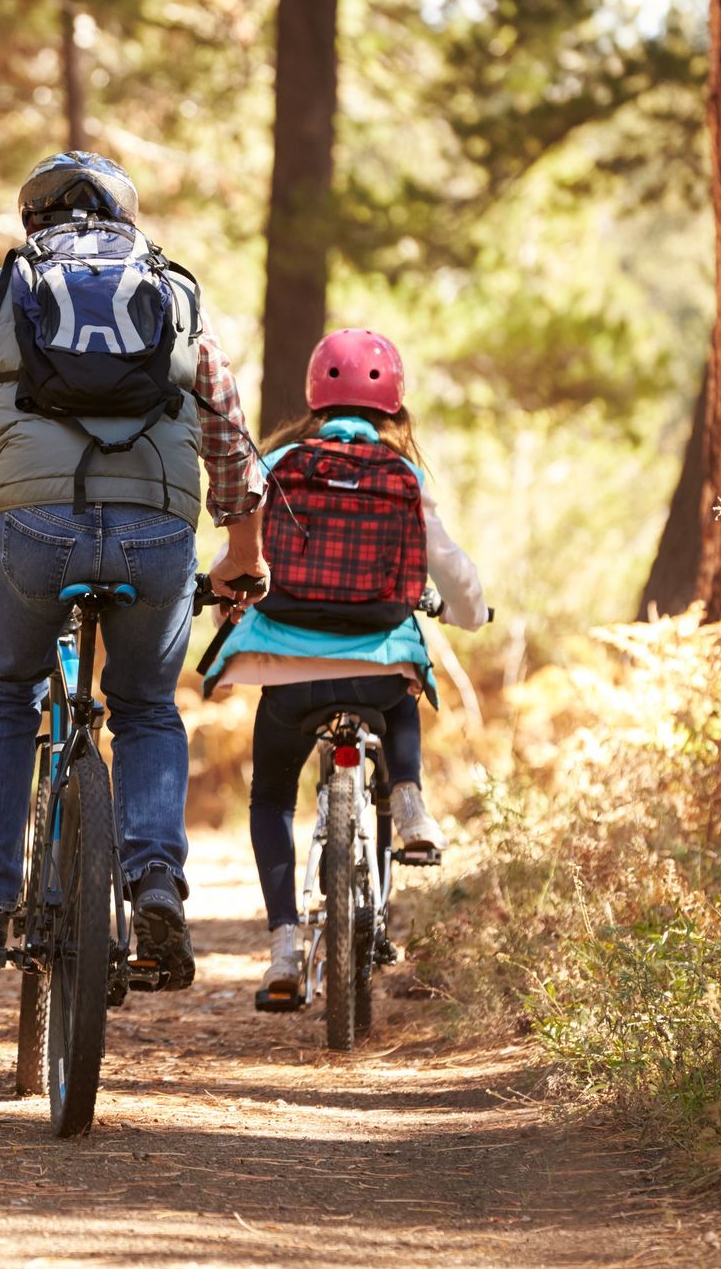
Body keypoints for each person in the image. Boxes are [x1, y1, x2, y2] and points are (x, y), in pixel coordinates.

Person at [0, 150, 268, 990]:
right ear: (127, 219)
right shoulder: (178, 295)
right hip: (158, 533)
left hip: (35, 531)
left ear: (32, 223)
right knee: (148, 708)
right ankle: (155, 879)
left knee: (6, 692)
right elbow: (229, 430)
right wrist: (244, 549)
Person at [201, 328, 488, 996]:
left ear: (315, 397)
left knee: (271, 797)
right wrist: (470, 615)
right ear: (393, 405)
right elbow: (455, 573)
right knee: (403, 687)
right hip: (376, 664)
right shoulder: (405, 476)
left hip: (289, 668)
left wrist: (226, 608)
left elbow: (237, 560)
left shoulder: (280, 465)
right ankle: (409, 801)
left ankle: (281, 949)